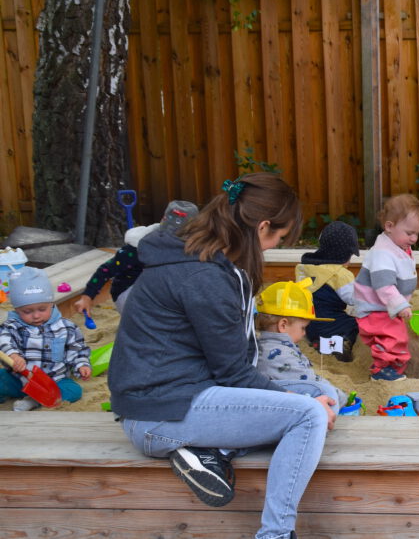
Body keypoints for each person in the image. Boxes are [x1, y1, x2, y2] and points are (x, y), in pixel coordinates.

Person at [108, 172, 335, 539]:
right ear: (262, 227)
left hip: (180, 396)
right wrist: (299, 403)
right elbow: (234, 373)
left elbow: (231, 368)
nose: (271, 248)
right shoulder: (204, 277)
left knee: (320, 394)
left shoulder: (205, 262)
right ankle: (275, 534)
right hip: (158, 414)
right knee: (309, 415)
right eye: (278, 239)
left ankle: (210, 451)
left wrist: (299, 397)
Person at [74, 200, 198, 314]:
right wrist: (87, 297)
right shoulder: (137, 248)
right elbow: (106, 270)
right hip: (128, 292)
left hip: (158, 293)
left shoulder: (190, 247)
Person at [352, 194, 419, 382]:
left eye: (417, 233)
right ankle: (381, 370)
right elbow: (384, 285)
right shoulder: (382, 253)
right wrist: (400, 304)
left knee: (397, 336)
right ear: (389, 226)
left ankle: (394, 368)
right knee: (391, 337)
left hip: (386, 305)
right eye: (409, 233)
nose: (414, 238)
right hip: (374, 307)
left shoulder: (398, 245)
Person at [0, 267, 91, 411]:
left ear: (51, 304)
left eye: (42, 309)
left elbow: (77, 349)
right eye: (27, 311)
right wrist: (13, 355)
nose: (36, 316)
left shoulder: (66, 327)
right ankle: (13, 395)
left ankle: (34, 400)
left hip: (53, 381)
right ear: (17, 310)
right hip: (19, 379)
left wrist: (81, 365)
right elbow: (4, 340)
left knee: (74, 391)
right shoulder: (12, 326)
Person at [255, 278, 342, 407]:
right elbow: (313, 384)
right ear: (283, 325)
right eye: (303, 328)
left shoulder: (264, 345)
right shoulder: (281, 355)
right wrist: (343, 398)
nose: (304, 333)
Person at [296, 221, 360, 362]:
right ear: (343, 254)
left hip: (307, 324)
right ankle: (341, 344)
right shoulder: (340, 274)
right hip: (333, 323)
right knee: (355, 325)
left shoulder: (307, 268)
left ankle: (318, 342)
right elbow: (354, 299)